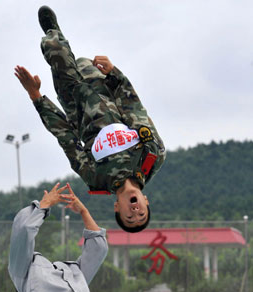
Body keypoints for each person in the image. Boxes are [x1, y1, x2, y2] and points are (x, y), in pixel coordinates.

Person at [14, 5, 166, 233]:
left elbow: (67, 138)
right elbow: (135, 109)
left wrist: (36, 96)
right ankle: (62, 42)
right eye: (141, 214)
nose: (135, 213)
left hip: (73, 99)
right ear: (146, 201)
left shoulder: (96, 179)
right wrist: (115, 74)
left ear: (117, 207)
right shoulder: (152, 156)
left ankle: (52, 30)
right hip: (100, 83)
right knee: (77, 59)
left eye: (129, 217)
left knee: (53, 46)